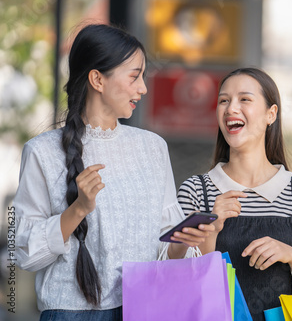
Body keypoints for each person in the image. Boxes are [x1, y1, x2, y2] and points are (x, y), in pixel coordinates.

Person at [13, 24, 213, 320]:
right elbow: (26, 253)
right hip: (70, 313)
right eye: (134, 76)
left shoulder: (152, 148)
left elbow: (163, 248)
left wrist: (183, 241)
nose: (143, 88)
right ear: (97, 79)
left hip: (146, 308)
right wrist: (78, 209)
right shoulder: (42, 151)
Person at [177, 67, 292, 321]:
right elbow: (184, 285)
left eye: (245, 99)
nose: (231, 109)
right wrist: (212, 228)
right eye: (224, 100)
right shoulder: (195, 191)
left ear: (271, 114)